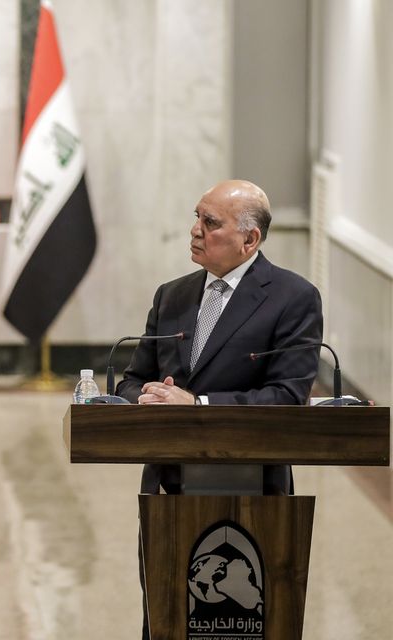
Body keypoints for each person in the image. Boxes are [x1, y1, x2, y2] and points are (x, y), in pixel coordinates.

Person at [116, 179, 323, 495]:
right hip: (168, 482)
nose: (195, 230)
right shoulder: (171, 295)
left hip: (253, 482)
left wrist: (197, 404)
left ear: (250, 240)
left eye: (210, 223)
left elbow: (287, 397)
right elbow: (131, 382)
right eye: (197, 216)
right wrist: (153, 398)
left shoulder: (293, 298)